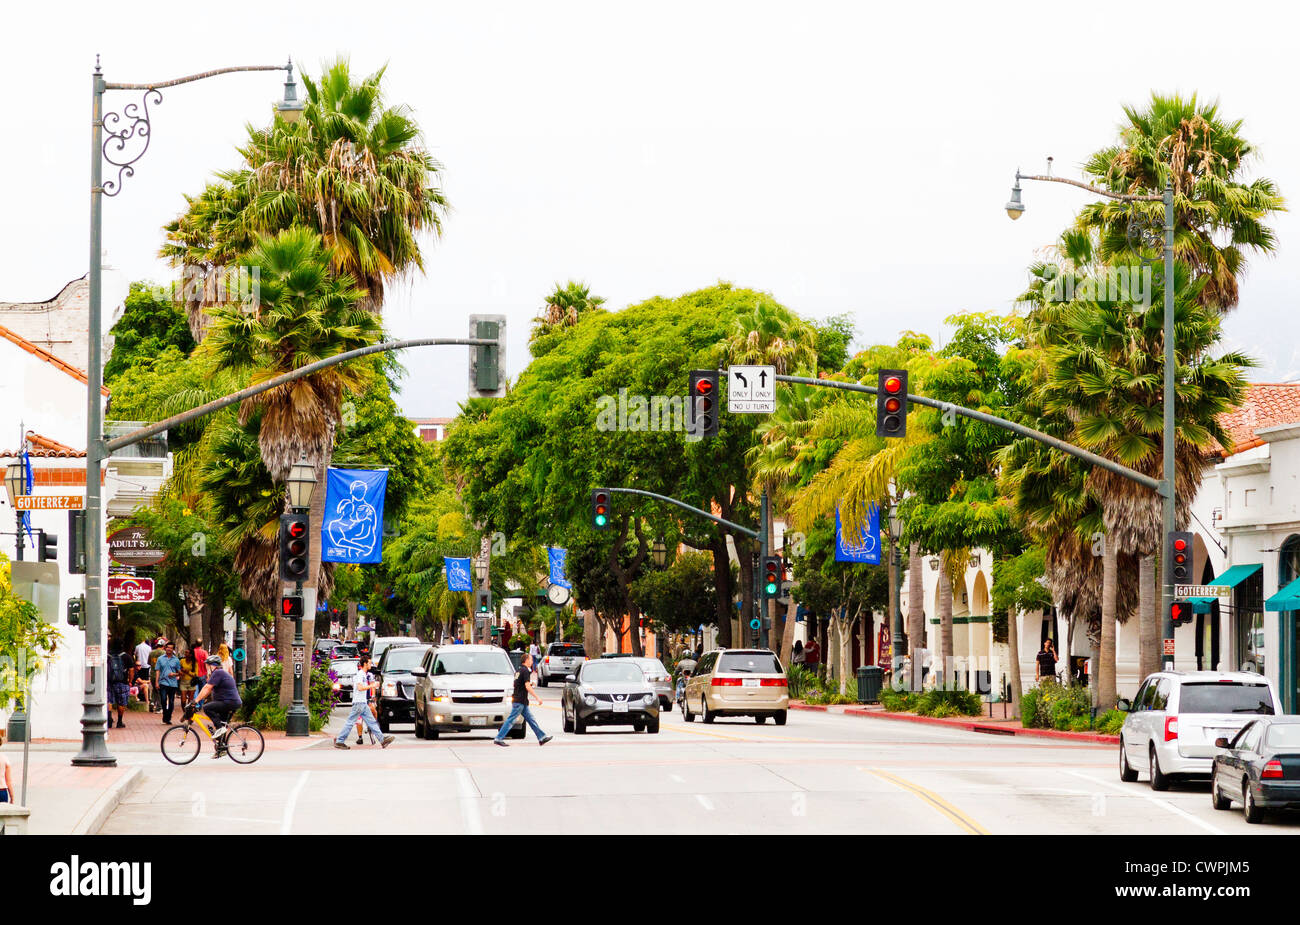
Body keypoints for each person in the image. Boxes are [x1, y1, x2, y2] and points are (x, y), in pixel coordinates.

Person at [494, 652, 552, 747]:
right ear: (526, 660)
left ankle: (542, 737)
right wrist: (537, 698)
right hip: (519, 701)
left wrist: (530, 684)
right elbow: (527, 686)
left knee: (531, 720)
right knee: (511, 720)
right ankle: (499, 738)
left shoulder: (519, 671)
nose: (532, 662)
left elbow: (516, 684)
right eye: (531, 660)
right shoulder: (525, 671)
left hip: (520, 701)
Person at [335, 656, 394, 749]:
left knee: (371, 722)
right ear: (365, 664)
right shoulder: (360, 675)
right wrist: (372, 685)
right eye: (369, 663)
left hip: (362, 703)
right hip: (359, 703)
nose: (371, 665)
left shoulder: (363, 674)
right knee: (351, 722)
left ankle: (382, 740)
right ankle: (340, 740)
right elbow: (360, 688)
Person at [193, 655, 242, 758]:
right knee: (221, 724)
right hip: (227, 702)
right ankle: (222, 748)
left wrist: (196, 700)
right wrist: (198, 699)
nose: (206, 666)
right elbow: (208, 690)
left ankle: (220, 729)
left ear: (212, 665)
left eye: (207, 665)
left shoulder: (218, 672)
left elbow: (207, 687)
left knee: (207, 707)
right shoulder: (218, 673)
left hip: (229, 702)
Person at [107, 641, 132, 728]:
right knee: (121, 702)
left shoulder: (108, 656)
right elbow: (131, 670)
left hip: (109, 681)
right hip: (122, 682)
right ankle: (119, 721)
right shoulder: (126, 656)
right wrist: (130, 681)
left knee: (109, 700)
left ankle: (109, 719)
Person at [155, 642, 182, 724]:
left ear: (173, 649)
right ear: (165, 648)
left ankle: (168, 717)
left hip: (173, 683)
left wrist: (174, 674)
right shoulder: (160, 659)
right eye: (168, 647)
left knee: (171, 701)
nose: (169, 649)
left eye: (171, 648)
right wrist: (156, 682)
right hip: (163, 682)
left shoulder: (176, 660)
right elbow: (157, 671)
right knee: (163, 699)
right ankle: (165, 714)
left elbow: (180, 673)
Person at [133, 637, 154, 711]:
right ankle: (145, 696)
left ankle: (141, 696)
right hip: (146, 665)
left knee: (140, 679)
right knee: (144, 679)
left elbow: (135, 654)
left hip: (140, 663)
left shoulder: (137, 647)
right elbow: (150, 656)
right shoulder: (149, 648)